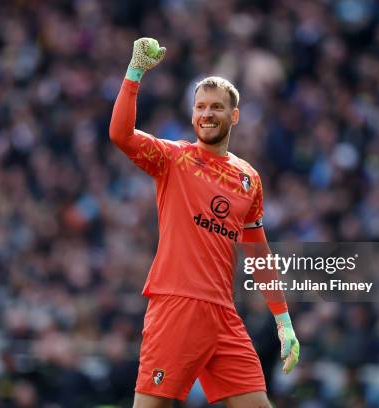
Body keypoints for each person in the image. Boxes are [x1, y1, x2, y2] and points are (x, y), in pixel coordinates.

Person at [109, 37, 300, 408]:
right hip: (177, 304)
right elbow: (120, 134)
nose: (207, 114)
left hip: (223, 314)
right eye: (200, 107)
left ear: (234, 116)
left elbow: (258, 252)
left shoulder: (248, 178)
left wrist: (283, 320)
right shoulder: (173, 158)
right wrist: (134, 74)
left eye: (216, 107)